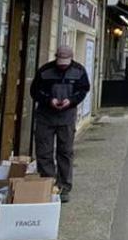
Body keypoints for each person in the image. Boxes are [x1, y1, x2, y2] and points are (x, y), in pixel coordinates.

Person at [29, 43, 90, 202]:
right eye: (60, 62)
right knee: (44, 151)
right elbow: (34, 91)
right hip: (45, 116)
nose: (62, 67)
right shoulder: (45, 71)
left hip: (67, 117)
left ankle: (64, 187)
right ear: (56, 58)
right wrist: (50, 100)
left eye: (65, 63)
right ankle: (48, 183)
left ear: (71, 59)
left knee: (65, 152)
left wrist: (71, 101)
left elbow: (83, 90)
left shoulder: (79, 71)